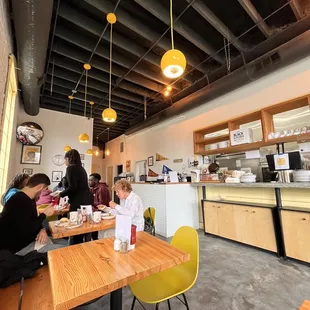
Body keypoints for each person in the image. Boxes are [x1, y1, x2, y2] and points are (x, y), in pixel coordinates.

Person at [0, 173, 67, 255]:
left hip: (30, 241)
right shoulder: (19, 200)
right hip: (18, 248)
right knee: (66, 250)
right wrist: (44, 215)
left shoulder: (29, 199)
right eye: (45, 189)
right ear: (39, 187)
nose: (45, 192)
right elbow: (25, 231)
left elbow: (33, 221)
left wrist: (42, 229)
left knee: (66, 243)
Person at [59, 149, 93, 244]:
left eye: (65, 159)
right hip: (86, 201)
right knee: (84, 227)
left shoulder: (71, 168)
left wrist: (60, 194)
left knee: (75, 228)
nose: (65, 162)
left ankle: (75, 251)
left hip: (77, 202)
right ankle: (83, 247)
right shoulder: (81, 168)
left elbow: (72, 187)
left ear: (69, 158)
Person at [88, 173, 110, 240]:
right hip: (96, 213)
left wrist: (91, 203)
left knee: (97, 234)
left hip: (103, 214)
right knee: (93, 233)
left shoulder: (102, 189)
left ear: (96, 181)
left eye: (90, 180)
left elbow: (102, 204)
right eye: (88, 180)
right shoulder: (92, 188)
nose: (89, 182)